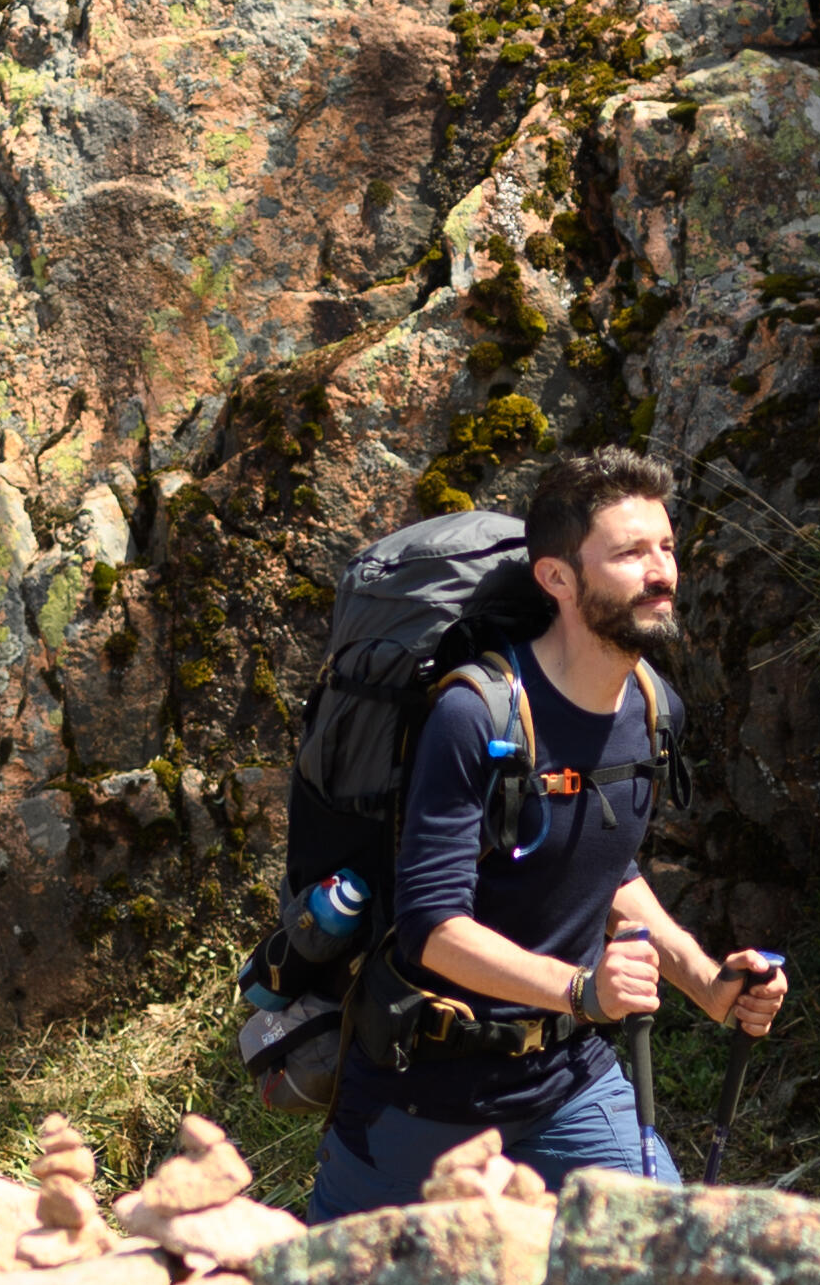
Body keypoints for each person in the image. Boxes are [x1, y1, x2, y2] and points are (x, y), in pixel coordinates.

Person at [306, 444, 789, 1218]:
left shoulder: (651, 708)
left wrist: (706, 983)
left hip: (572, 1082)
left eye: (665, 546)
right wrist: (579, 990)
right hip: (424, 1095)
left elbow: (610, 874)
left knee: (659, 1273)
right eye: (629, 553)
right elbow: (433, 928)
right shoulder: (476, 715)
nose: (661, 570)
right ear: (557, 578)